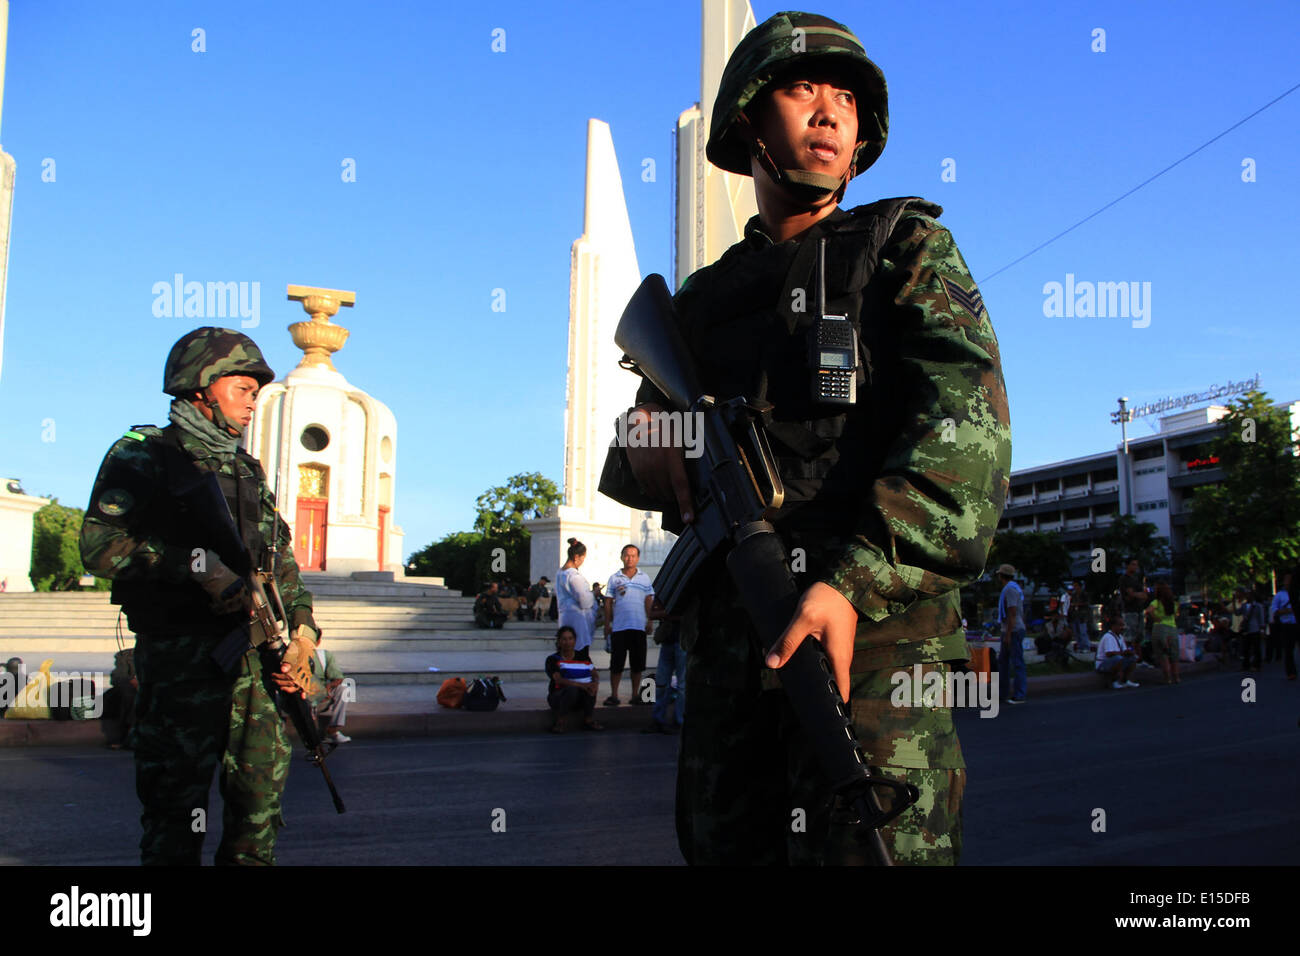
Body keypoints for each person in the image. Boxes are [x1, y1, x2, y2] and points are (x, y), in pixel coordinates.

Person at [601, 11, 1010, 865]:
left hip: (872, 648)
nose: (829, 112)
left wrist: (851, 584)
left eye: (847, 99)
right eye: (802, 89)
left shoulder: (904, 250)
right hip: (731, 650)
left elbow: (966, 444)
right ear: (749, 119)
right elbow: (641, 461)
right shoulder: (699, 303)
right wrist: (647, 431)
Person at [79, 327, 317, 866]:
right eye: (243, 389)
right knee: (174, 817)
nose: (253, 402)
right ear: (200, 387)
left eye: (256, 392)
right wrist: (199, 568)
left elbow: (281, 564)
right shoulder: (144, 455)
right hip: (181, 665)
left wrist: (303, 636)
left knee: (257, 814)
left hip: (255, 667)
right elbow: (100, 546)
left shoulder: (246, 470)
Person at [603, 543, 656, 707]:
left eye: (633, 556)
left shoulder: (644, 578)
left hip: (638, 626)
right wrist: (607, 624)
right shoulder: (614, 578)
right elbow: (608, 602)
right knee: (616, 663)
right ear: (621, 557)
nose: (629, 558)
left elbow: (649, 600)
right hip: (619, 626)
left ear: (638, 558)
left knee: (637, 664)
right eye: (626, 555)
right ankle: (614, 695)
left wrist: (650, 620)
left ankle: (635, 694)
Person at [544, 625, 603, 732]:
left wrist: (595, 683)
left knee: (590, 688)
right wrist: (582, 685)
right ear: (559, 641)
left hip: (581, 696)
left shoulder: (583, 657)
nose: (567, 642)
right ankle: (560, 721)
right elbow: (559, 680)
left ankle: (588, 720)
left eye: (570, 639)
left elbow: (594, 674)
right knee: (572, 690)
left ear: (575, 640)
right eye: (564, 639)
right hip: (559, 697)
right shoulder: (552, 659)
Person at [556, 539, 596, 661]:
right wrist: (592, 594)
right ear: (576, 557)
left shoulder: (560, 573)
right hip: (577, 619)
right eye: (583, 558)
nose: (582, 562)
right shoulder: (573, 576)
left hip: (565, 615)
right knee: (579, 653)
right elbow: (584, 601)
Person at [308, 635, 351, 746]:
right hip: (300, 699)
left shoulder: (323, 656)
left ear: (317, 642)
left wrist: (328, 688)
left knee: (343, 689)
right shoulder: (291, 656)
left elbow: (338, 678)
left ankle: (333, 731)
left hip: (321, 698)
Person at [996, 565, 1027, 705]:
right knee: (1003, 662)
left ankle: (1019, 694)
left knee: (1016, 663)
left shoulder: (1009, 590)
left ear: (1001, 576)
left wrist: (1008, 634)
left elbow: (1012, 613)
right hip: (1011, 629)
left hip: (1013, 630)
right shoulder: (1014, 588)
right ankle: (1003, 693)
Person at [1143, 581, 1181, 684]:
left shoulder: (1156, 602)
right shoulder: (1174, 603)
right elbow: (1176, 615)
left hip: (1159, 628)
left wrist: (1155, 618)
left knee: (1163, 655)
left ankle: (1167, 678)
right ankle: (1176, 677)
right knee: (1174, 655)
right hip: (1172, 628)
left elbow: (1148, 611)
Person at [1095, 615, 1140, 689]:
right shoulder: (1108, 637)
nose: (1122, 627)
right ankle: (1114, 681)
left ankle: (1125, 680)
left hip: (1114, 661)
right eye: (1120, 625)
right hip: (1102, 664)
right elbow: (1109, 654)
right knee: (1118, 659)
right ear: (1113, 626)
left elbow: (1124, 651)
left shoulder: (1120, 637)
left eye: (1123, 625)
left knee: (1132, 658)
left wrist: (1130, 652)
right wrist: (1123, 653)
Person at [1270, 569, 1297, 680]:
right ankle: (1291, 672)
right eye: (1287, 579)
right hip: (1287, 624)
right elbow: (1274, 610)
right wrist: (1286, 611)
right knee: (1288, 650)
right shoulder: (1279, 595)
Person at [1235, 585, 1265, 672]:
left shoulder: (1258, 606)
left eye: (1249, 595)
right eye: (1246, 595)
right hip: (1246, 629)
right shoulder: (1244, 606)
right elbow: (1237, 613)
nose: (1247, 596)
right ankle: (1246, 665)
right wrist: (1233, 601)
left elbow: (1261, 618)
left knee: (1256, 648)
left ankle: (1257, 665)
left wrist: (1262, 629)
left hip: (1255, 629)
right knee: (1246, 648)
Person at [1119, 558, 1148, 643]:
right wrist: (1138, 595)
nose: (1135, 567)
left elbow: (1144, 594)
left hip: (1139, 610)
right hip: (1129, 611)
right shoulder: (1124, 579)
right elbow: (1131, 594)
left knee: (1140, 636)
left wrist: (1139, 595)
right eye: (1133, 564)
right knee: (1130, 636)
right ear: (1127, 566)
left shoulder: (1137, 579)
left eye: (1136, 565)